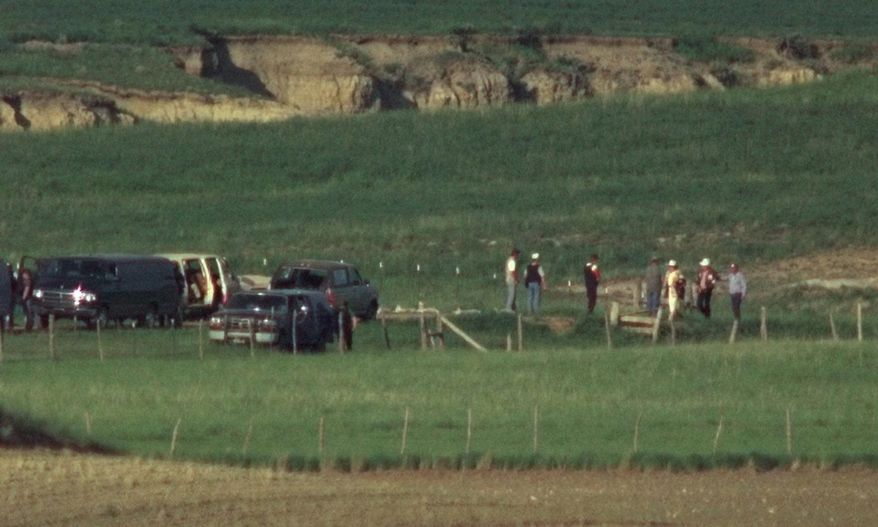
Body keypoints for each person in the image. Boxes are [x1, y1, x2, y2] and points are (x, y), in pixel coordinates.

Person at [16, 262, 35, 331]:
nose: (23, 276)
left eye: (24, 274)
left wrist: (23, 299)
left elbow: (26, 290)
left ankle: (29, 327)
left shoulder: (27, 281)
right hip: (27, 299)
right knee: (28, 313)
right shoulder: (26, 280)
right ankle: (28, 326)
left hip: (28, 299)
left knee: (28, 313)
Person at [504, 248, 521, 312]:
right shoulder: (511, 261)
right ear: (515, 254)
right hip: (511, 279)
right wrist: (516, 279)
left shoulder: (509, 260)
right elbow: (512, 271)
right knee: (512, 294)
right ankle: (508, 308)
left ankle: (512, 308)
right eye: (518, 255)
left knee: (512, 294)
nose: (518, 256)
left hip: (509, 279)